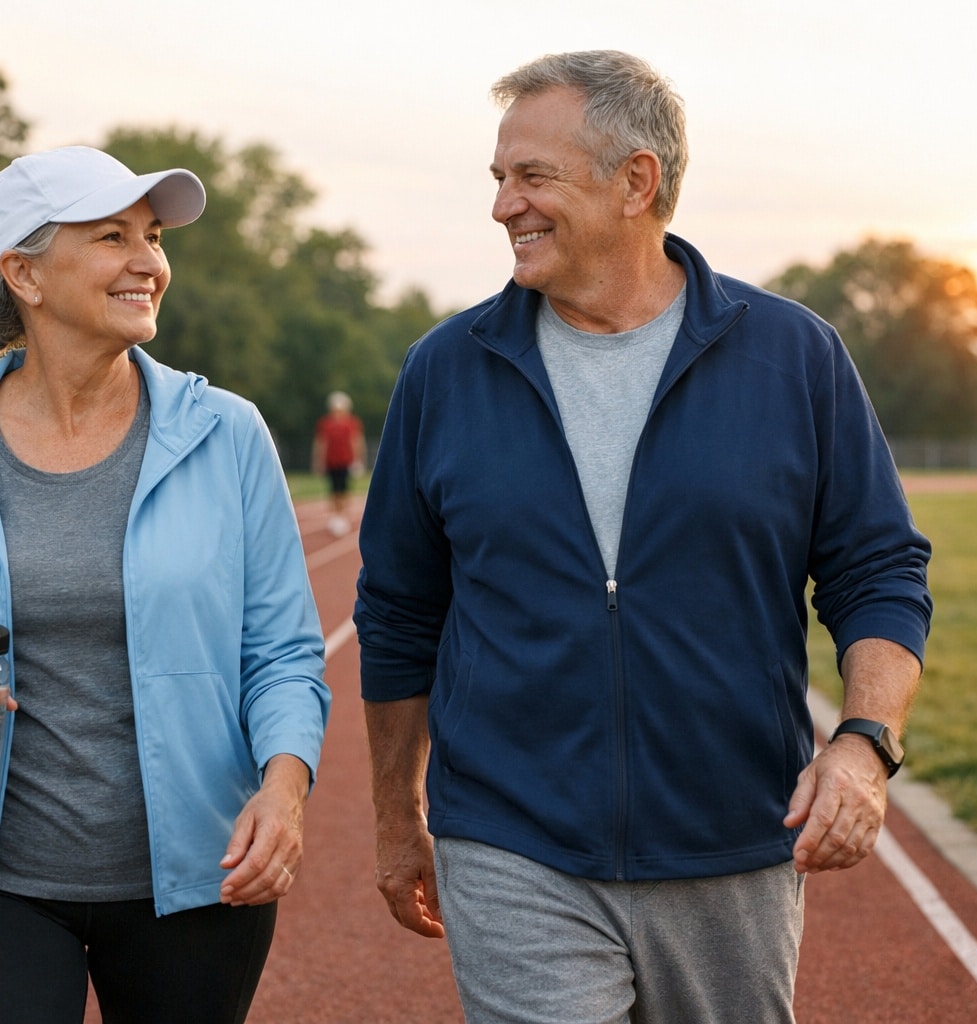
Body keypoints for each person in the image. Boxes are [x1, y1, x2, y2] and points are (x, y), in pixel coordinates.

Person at [354, 51, 932, 1023]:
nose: (504, 205)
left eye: (531, 176)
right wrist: (393, 819)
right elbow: (400, 609)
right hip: (510, 835)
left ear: (636, 180)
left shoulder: (793, 356)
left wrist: (867, 742)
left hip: (733, 841)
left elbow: (877, 568)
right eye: (498, 179)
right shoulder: (445, 371)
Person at [0, 145, 330, 1024]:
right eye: (112, 236)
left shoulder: (229, 434)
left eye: (154, 236)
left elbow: (284, 652)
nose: (149, 262)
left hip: (197, 881)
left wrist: (283, 791)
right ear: (23, 272)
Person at [311, 389, 365, 535]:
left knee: (344, 490)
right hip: (331, 462)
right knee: (333, 490)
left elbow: (356, 442)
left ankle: (342, 516)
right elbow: (321, 443)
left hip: (345, 461)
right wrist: (319, 461)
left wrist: (357, 460)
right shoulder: (325, 423)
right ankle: (336, 516)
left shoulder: (351, 423)